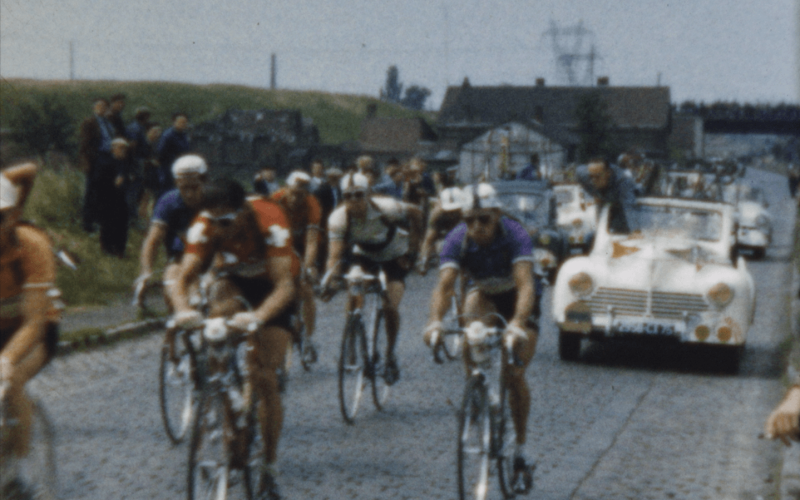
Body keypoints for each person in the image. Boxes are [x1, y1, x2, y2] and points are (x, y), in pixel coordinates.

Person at [171, 178, 298, 500]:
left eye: (226, 221)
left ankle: (268, 466)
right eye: (214, 222)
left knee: (265, 375)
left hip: (272, 287)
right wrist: (184, 310)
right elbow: (181, 277)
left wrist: (258, 317)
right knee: (216, 322)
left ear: (243, 212)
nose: (220, 230)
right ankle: (221, 393)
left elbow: (285, 286)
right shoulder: (206, 225)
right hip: (235, 281)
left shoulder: (270, 219)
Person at [423, 183, 537, 493]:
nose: (476, 227)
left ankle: (521, 451)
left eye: (483, 219)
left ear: (497, 215)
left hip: (517, 299)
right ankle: (480, 383)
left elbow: (526, 285)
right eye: (469, 219)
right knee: (470, 322)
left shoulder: (515, 234)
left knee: (514, 374)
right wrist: (434, 322)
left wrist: (517, 324)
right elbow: (445, 287)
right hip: (485, 293)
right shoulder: (457, 239)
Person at [323, 172, 424, 385]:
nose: (353, 201)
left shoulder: (386, 207)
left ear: (368, 194)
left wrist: (415, 249)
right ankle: (352, 335)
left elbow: (416, 213)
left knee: (390, 307)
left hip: (395, 255)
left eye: (358, 195)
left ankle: (390, 354)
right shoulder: (339, 218)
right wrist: (330, 280)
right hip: (365, 256)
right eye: (347, 196)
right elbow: (334, 256)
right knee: (354, 286)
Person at [0, 163, 61, 495]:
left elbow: (35, 321)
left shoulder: (32, 244)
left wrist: (7, 359)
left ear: (13, 216)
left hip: (33, 328)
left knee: (11, 381)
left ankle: (19, 471)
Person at [136, 154, 208, 319]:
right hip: (179, 259)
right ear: (176, 184)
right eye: (184, 188)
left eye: (194, 187)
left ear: (205, 182)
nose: (189, 194)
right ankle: (184, 315)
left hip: (211, 259)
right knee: (172, 275)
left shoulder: (215, 200)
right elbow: (153, 240)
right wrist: (146, 272)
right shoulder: (168, 202)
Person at [271, 171, 321, 361]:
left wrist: (307, 267)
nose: (295, 198)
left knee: (306, 290)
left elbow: (311, 241)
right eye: (292, 193)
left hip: (301, 244)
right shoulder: (275, 199)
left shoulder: (312, 204)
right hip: (279, 243)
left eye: (301, 195)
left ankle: (308, 338)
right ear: (286, 189)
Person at [79, 97, 114, 233]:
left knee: (104, 192)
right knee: (91, 192)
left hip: (108, 159)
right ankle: (87, 224)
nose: (102, 109)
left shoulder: (108, 122)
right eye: (99, 106)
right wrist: (86, 163)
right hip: (96, 159)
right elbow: (84, 144)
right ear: (94, 108)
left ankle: (100, 222)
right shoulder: (90, 122)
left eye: (105, 107)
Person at [576, 157, 639, 234]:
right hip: (602, 200)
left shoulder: (623, 180)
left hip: (620, 203)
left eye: (597, 177)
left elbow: (629, 206)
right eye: (591, 177)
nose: (593, 181)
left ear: (608, 173)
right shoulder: (584, 175)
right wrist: (594, 193)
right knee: (600, 232)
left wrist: (635, 230)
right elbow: (579, 175)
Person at [96, 138, 131, 257]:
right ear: (113, 149)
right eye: (120, 148)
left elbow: (127, 179)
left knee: (122, 224)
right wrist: (112, 183)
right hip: (108, 198)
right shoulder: (105, 162)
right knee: (108, 224)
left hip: (121, 198)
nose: (123, 151)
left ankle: (120, 249)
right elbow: (99, 182)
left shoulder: (125, 163)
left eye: (125, 148)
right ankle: (108, 248)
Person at [418, 186, 467, 271]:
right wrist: (423, 261)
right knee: (441, 246)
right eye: (450, 211)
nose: (452, 214)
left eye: (456, 210)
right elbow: (428, 241)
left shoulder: (467, 211)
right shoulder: (438, 215)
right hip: (446, 239)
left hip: (463, 238)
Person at [126, 107, 152, 225]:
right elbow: (132, 147)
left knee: (137, 190)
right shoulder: (135, 129)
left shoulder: (138, 127)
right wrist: (131, 166)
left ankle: (133, 216)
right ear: (145, 117)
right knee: (133, 190)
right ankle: (131, 218)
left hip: (138, 162)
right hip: (136, 162)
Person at [156, 112, 191, 199]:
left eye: (185, 122)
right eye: (180, 122)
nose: (183, 124)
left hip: (181, 168)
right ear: (174, 122)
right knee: (167, 193)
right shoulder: (168, 136)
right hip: (168, 169)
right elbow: (160, 153)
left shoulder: (183, 135)